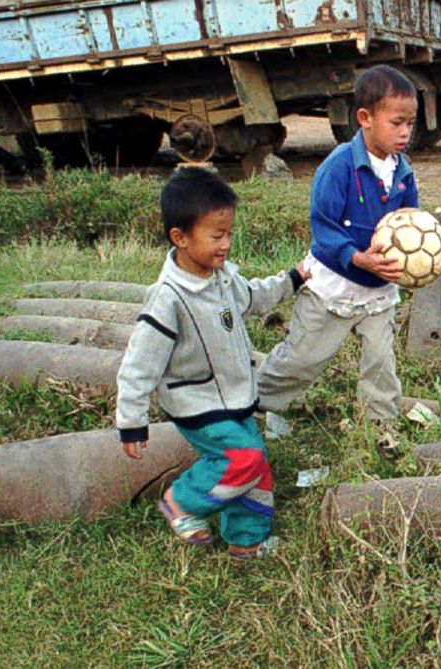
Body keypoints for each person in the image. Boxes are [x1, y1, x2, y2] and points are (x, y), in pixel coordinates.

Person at [117, 167, 308, 559]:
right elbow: (139, 365)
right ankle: (182, 502)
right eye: (216, 235)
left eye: (229, 234)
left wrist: (293, 279)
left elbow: (253, 297)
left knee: (257, 470)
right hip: (197, 405)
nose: (226, 244)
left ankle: (245, 541)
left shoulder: (222, 277)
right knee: (243, 459)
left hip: (234, 397)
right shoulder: (167, 298)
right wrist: (132, 421)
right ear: (180, 238)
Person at [255, 65, 419, 451]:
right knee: (303, 360)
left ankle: (382, 426)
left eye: (410, 123)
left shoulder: (403, 172)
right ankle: (258, 403)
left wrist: (412, 264)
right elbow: (323, 228)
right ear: (364, 118)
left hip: (377, 290)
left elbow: (410, 223)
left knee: (381, 363)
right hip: (331, 286)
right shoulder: (339, 166)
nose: (405, 132)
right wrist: (355, 257)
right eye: (397, 122)